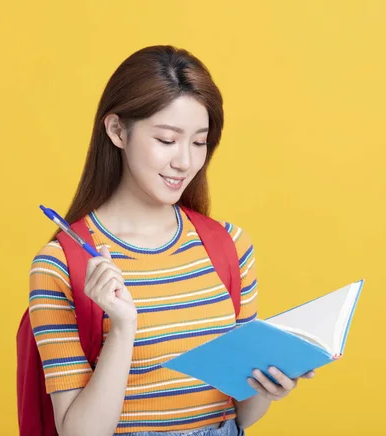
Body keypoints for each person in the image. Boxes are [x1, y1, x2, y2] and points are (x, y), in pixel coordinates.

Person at [28, 45, 314, 436]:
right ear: (116, 131)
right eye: (167, 140)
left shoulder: (230, 245)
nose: (186, 162)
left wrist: (269, 384)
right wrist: (124, 326)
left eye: (199, 142)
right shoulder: (61, 265)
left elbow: (240, 415)